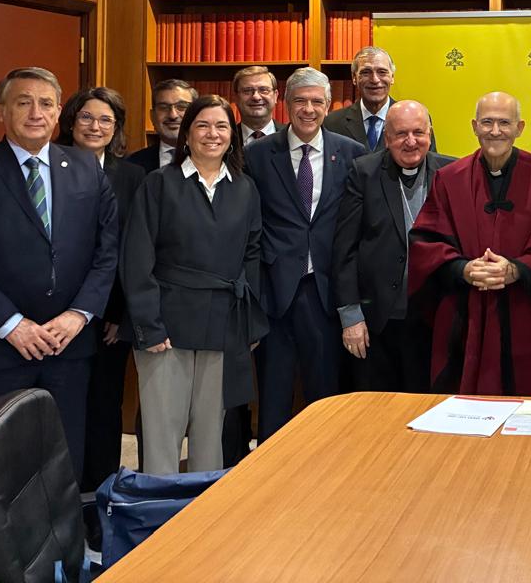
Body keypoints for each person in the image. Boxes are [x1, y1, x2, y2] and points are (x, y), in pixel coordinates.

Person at [0, 67, 118, 483]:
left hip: (67, 347)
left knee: (61, 462)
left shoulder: (87, 168)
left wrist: (78, 315)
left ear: (58, 115)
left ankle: (61, 550)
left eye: (47, 104)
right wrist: (12, 325)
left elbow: (107, 251)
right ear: (1, 111)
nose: (36, 112)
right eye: (23, 102)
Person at [121, 94, 267, 474]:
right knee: (162, 435)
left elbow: (252, 257)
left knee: (211, 434)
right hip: (167, 325)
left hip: (223, 322)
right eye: (202, 125)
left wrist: (248, 321)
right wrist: (148, 326)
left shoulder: (244, 188)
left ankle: (201, 522)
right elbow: (136, 259)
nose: (212, 134)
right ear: (186, 135)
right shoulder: (159, 184)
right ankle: (157, 523)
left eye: (221, 126)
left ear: (232, 137)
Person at [410, 92, 531, 395]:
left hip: (528, 313)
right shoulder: (449, 179)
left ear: (520, 128)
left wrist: (516, 270)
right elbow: (426, 242)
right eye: (487, 122)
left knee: (529, 416)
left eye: (504, 123)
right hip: (465, 314)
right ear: (474, 126)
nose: (495, 131)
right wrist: (464, 269)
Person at [245, 67, 365, 441]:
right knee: (274, 394)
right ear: (285, 104)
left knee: (325, 393)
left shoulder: (352, 154)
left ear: (329, 105)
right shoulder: (259, 154)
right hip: (274, 290)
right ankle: (268, 472)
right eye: (300, 101)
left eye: (317, 101)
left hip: (326, 290)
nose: (308, 109)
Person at [59, 87, 145, 494]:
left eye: (106, 120)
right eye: (87, 118)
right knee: (63, 405)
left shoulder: (131, 175)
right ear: (71, 121)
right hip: (57, 313)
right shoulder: (50, 166)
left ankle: (102, 492)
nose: (95, 126)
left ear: (117, 128)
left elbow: (134, 248)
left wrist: (121, 314)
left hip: (111, 315)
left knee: (105, 404)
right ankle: (63, 490)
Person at [333, 100, 454, 392]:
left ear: (430, 134)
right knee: (380, 415)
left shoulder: (453, 172)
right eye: (400, 134)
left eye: (418, 132)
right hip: (379, 322)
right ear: (387, 138)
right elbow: (344, 249)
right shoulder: (364, 172)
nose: (410, 142)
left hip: (437, 319)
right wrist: (351, 318)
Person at [323, 46, 435, 152]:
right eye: (366, 72)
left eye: (382, 72)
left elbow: (429, 166)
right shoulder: (332, 123)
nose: (375, 80)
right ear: (354, 78)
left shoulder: (416, 118)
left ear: (392, 77)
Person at [127, 78, 196, 173]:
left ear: (196, 114)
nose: (173, 115)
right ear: (152, 116)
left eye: (181, 107)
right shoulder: (132, 164)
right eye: (163, 107)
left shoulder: (214, 161)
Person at [233, 65, 279, 143]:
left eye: (263, 90)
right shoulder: (225, 139)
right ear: (236, 98)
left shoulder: (292, 136)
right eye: (247, 91)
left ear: (275, 96)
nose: (256, 97)